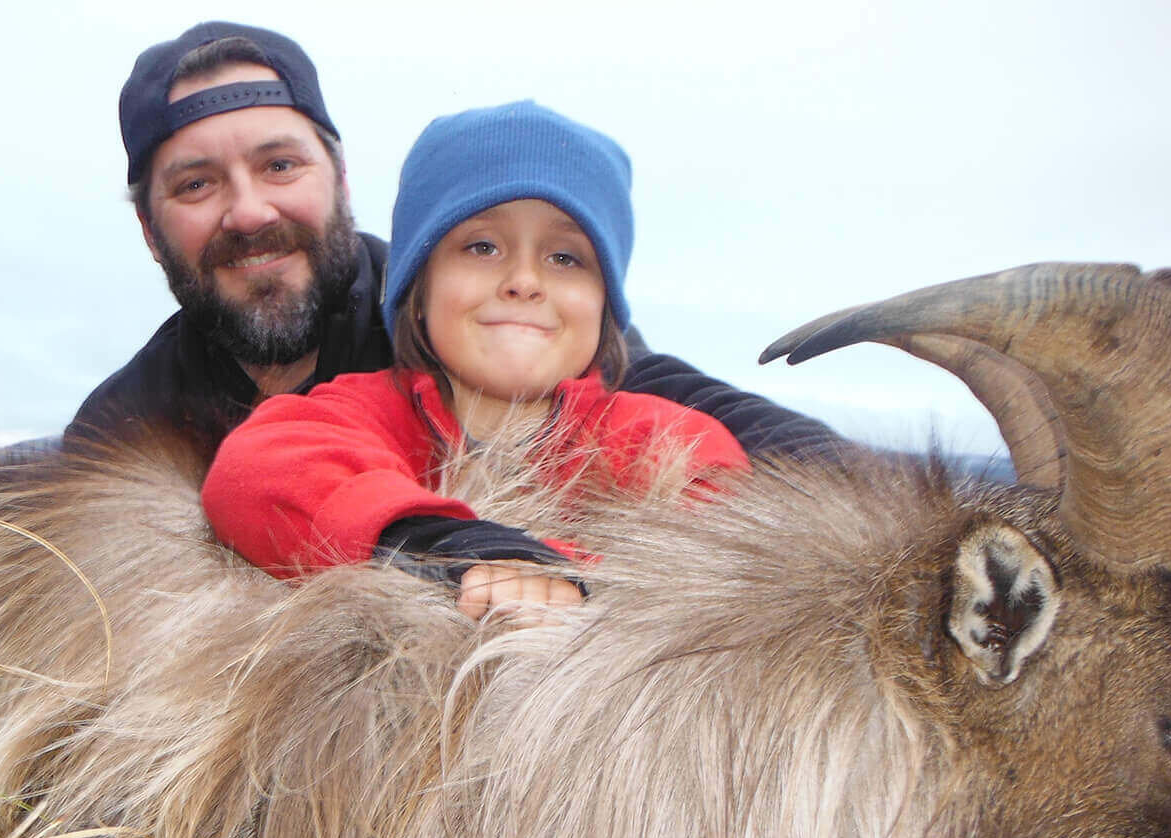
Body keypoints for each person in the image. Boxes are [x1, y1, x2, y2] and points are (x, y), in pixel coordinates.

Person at [63, 21, 839, 464]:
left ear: (338, 178)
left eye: (279, 164)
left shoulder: (459, 316)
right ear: (149, 228)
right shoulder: (120, 432)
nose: (250, 211)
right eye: (196, 183)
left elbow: (674, 405)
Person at [201, 101, 750, 620]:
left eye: (566, 257)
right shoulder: (359, 412)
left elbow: (723, 562)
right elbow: (254, 472)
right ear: (418, 286)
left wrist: (572, 578)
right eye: (482, 247)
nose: (524, 282)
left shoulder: (668, 442)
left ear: (606, 306)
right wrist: (451, 546)